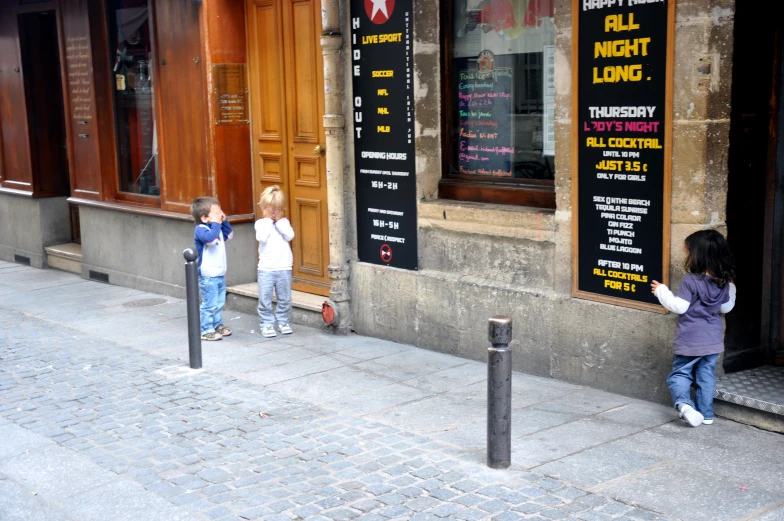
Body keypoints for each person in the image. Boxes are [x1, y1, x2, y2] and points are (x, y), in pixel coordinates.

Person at [651, 229, 736, 427]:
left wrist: (661, 291)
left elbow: (680, 307)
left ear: (698, 255)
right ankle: (706, 414)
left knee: (681, 373)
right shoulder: (724, 282)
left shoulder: (691, 281)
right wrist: (732, 289)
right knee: (706, 375)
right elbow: (726, 307)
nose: (687, 256)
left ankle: (685, 406)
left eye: (688, 252)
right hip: (713, 340)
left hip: (690, 339)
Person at [191, 196, 233, 341]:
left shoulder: (217, 227)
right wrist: (216, 224)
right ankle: (206, 329)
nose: (220, 214)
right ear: (204, 218)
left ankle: (217, 324)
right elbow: (211, 239)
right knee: (209, 304)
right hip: (208, 275)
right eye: (216, 212)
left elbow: (229, 235)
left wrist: (224, 221)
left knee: (219, 302)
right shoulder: (201, 229)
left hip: (219, 273)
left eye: (220, 210)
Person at [255, 185, 295, 338]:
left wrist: (278, 221)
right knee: (265, 298)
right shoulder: (261, 224)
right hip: (266, 268)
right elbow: (261, 237)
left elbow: (289, 236)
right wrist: (267, 220)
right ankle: (266, 323)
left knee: (284, 297)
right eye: (269, 209)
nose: (273, 213)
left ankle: (283, 321)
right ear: (264, 208)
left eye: (276, 209)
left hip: (284, 266)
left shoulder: (283, 222)